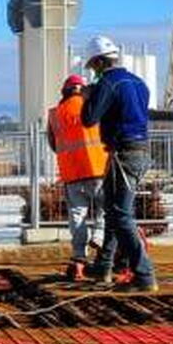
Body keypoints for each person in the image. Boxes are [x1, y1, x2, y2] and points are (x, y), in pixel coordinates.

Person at [79, 35, 157, 292]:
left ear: (100, 62)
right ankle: (104, 267)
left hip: (124, 153)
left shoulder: (107, 83)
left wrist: (88, 96)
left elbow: (89, 119)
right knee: (113, 210)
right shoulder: (139, 83)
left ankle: (144, 274)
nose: (93, 71)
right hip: (138, 150)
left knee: (121, 215)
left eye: (93, 65)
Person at [45, 74, 107, 281]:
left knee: (77, 216)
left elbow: (53, 144)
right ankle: (99, 237)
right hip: (97, 168)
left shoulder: (55, 114)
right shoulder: (93, 107)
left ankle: (79, 256)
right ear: (83, 90)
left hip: (71, 173)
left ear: (64, 91)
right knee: (105, 209)